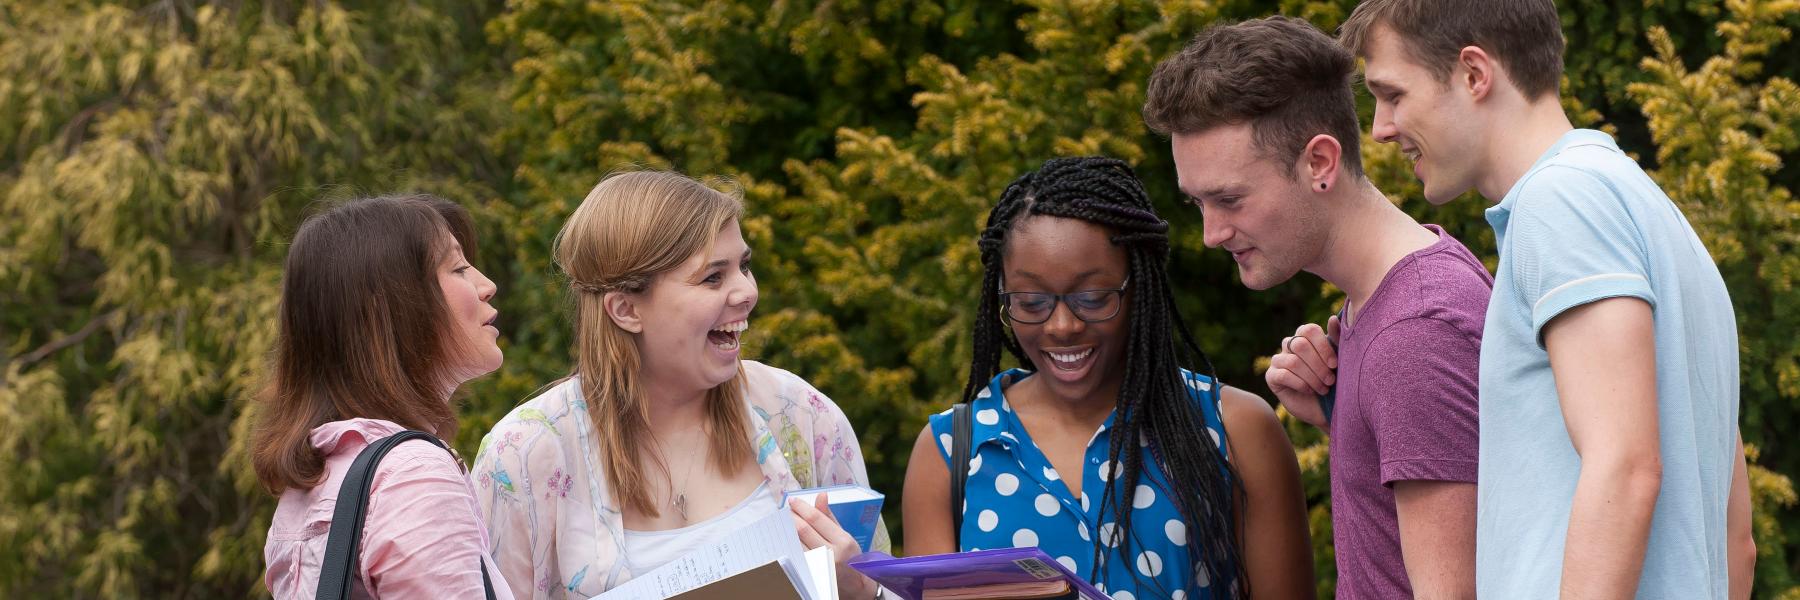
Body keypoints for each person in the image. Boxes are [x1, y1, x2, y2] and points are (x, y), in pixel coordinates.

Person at [1337, 1, 1756, 597]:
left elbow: (1626, 466)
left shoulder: (1561, 205)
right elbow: (1736, 541)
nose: (1379, 126)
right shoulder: (1653, 214)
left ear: (1474, 74)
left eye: (1393, 94)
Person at [1141, 17, 1489, 598]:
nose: (1210, 233)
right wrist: (1342, 414)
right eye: (1198, 202)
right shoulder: (1388, 307)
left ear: (1320, 163)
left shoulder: (1415, 333)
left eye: (1228, 199)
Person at [901, 157, 1314, 599]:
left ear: (1141, 288)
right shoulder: (950, 453)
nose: (1062, 326)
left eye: (1093, 298)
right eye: (1031, 302)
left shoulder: (1234, 429)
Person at [472, 171, 888, 599]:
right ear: (625, 309)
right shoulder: (523, 456)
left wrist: (861, 593)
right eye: (713, 277)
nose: (746, 291)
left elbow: (889, 583)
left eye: (744, 266)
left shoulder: (800, 414)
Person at [253, 194, 513, 598]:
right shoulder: (412, 475)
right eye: (459, 268)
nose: (486, 285)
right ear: (389, 309)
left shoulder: (319, 477)